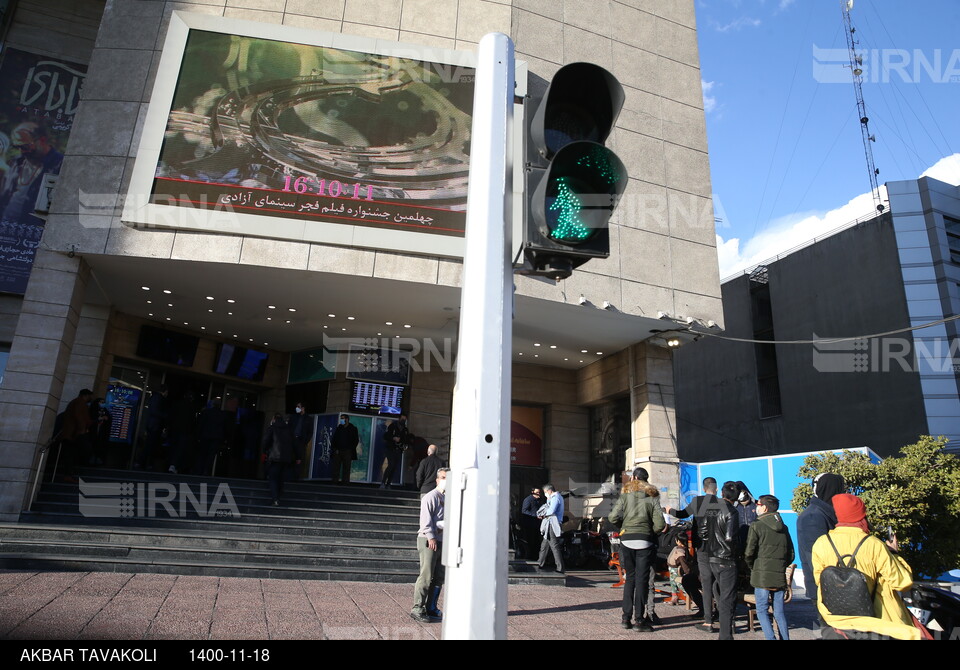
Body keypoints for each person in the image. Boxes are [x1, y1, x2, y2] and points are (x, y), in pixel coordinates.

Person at [812, 493, 919, 640]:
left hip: (835, 620)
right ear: (860, 516)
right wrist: (894, 553)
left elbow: (820, 580)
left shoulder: (821, 543)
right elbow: (903, 582)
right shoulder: (874, 544)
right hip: (876, 623)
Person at [609, 467, 666, 631]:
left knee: (630, 579)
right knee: (642, 580)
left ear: (633, 478)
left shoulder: (625, 496)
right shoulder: (652, 497)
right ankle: (639, 620)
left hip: (626, 540)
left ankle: (625, 619)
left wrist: (623, 528)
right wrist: (649, 531)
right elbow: (660, 524)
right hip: (645, 541)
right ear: (646, 480)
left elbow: (613, 517)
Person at [665, 477, 719, 626]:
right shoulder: (721, 504)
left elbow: (682, 514)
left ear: (703, 488)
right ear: (716, 489)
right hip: (718, 549)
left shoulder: (697, 501)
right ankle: (717, 612)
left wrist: (670, 510)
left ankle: (706, 612)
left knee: (705, 579)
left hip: (702, 547)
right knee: (714, 579)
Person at [744, 494, 795, 640]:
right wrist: (780, 565)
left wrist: (752, 566)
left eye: (758, 504)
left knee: (761, 610)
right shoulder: (783, 527)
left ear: (765, 507)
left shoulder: (757, 525)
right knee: (779, 612)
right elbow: (791, 553)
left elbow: (749, 552)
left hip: (761, 575)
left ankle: (770, 638)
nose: (756, 507)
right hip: (778, 574)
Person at [797, 472, 845, 623]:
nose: (844, 492)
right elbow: (817, 560)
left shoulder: (826, 513)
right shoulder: (813, 517)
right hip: (827, 590)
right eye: (842, 488)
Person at [411, 467, 449, 623]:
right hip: (428, 539)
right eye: (443, 477)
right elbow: (425, 522)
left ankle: (431, 607)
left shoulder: (449, 498)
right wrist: (432, 537)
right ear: (437, 479)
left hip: (442, 540)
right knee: (426, 575)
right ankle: (417, 608)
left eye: (448, 478)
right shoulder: (430, 497)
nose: (445, 480)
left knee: (439, 577)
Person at [704, 480, 741, 640]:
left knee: (720, 594)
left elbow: (704, 531)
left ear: (721, 493)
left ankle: (725, 631)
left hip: (712, 557)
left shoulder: (711, 507)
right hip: (726, 559)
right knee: (727, 598)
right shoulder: (732, 511)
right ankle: (725, 635)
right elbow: (730, 537)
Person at [261, 413, 301, 506]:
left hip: (274, 458)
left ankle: (275, 499)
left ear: (274, 419)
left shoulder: (272, 428)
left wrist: (265, 451)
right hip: (286, 459)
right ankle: (278, 497)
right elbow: (296, 445)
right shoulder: (289, 430)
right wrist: (298, 457)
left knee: (273, 478)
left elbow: (265, 441)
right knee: (281, 479)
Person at [59, 388, 93, 481]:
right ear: (86, 395)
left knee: (71, 453)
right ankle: (68, 474)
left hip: (71, 433)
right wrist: (82, 429)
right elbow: (79, 416)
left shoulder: (75, 402)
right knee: (74, 453)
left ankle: (69, 474)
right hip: (74, 433)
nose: (91, 398)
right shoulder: (80, 403)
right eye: (90, 396)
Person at [536, 483, 565, 574]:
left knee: (554, 545)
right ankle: (539, 563)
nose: (545, 494)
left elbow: (551, 510)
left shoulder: (555, 498)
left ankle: (560, 568)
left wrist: (543, 514)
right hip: (550, 524)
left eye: (545, 492)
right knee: (544, 545)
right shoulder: (553, 498)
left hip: (553, 524)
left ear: (549, 490)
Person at [381, 415, 411, 489]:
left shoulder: (405, 430)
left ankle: (388, 483)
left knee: (394, 467)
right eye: (402, 419)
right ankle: (383, 482)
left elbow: (406, 440)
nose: (403, 421)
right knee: (391, 465)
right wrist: (393, 438)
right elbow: (385, 436)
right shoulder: (393, 426)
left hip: (399, 450)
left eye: (404, 419)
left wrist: (404, 444)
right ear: (399, 419)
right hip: (391, 449)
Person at [330, 414, 359, 484]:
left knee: (346, 467)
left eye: (342, 419)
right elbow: (334, 439)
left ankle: (345, 482)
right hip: (338, 450)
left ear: (347, 419)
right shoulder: (339, 428)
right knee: (336, 467)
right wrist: (335, 448)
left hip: (347, 451)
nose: (341, 420)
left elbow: (356, 440)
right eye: (341, 419)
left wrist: (350, 449)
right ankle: (335, 481)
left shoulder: (353, 428)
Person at [520, 487, 544, 560]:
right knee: (531, 541)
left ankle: (536, 556)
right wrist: (535, 515)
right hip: (530, 524)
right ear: (532, 492)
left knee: (537, 541)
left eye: (539, 492)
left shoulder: (539, 501)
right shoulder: (528, 500)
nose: (538, 494)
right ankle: (531, 557)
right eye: (537, 492)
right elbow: (524, 511)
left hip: (537, 525)